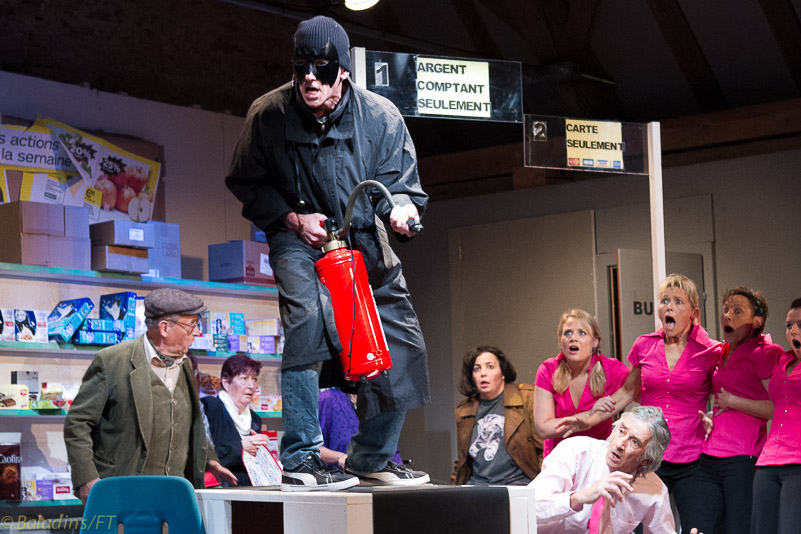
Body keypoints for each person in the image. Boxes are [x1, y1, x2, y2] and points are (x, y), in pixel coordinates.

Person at [225, 15, 430, 491]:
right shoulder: (268, 115)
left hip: (362, 234)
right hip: (298, 236)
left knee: (400, 338)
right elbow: (246, 181)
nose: (309, 79)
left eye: (321, 69)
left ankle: (372, 456)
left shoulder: (381, 117)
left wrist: (400, 211)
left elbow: (400, 187)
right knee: (308, 320)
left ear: (344, 72)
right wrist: (292, 219)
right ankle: (301, 456)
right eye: (301, 69)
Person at [557, 274, 721, 533]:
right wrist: (588, 420)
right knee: (636, 527)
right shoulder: (645, 345)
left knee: (695, 528)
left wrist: (713, 417)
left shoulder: (711, 351)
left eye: (678, 302)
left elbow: (724, 396)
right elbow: (627, 392)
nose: (669, 307)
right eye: (664, 300)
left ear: (694, 313)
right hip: (646, 458)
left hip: (692, 458)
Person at [64, 288, 237, 503]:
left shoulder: (185, 366)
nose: (196, 332)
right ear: (164, 328)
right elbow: (78, 423)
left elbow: (190, 423)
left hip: (175, 495)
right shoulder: (112, 361)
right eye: (191, 325)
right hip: (123, 492)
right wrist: (87, 478)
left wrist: (209, 459)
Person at [695, 288, 783, 534]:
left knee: (738, 527)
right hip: (709, 454)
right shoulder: (721, 352)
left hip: (743, 457)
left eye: (737, 311)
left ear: (756, 322)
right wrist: (709, 417)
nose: (727, 315)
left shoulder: (766, 353)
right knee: (702, 526)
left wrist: (734, 401)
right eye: (725, 310)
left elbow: (777, 408)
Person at [534, 309, 629, 457]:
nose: (573, 338)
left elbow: (638, 392)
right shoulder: (548, 370)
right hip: (559, 458)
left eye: (582, 333)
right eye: (567, 333)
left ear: (595, 341)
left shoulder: (612, 369)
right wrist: (591, 415)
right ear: (560, 341)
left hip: (598, 457)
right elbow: (543, 428)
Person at [451, 345, 543, 485]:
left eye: (490, 367)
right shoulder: (465, 409)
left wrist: (542, 486)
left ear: (503, 373)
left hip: (517, 485)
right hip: (477, 486)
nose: (483, 373)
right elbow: (462, 460)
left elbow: (544, 449)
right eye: (477, 369)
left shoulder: (526, 398)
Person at [750, 297, 801, 534]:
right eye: (789, 326)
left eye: (800, 325)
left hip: (797, 463)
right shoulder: (783, 359)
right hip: (768, 461)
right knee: (762, 528)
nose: (793, 331)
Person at [202, 354, 269, 486]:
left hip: (250, 487)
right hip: (220, 487)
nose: (251, 385)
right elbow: (205, 455)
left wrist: (261, 451)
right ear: (226, 382)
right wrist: (241, 447)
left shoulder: (255, 419)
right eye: (244, 378)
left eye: (254, 379)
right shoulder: (211, 407)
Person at [318, 387, 403, 469]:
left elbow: (393, 452)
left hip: (378, 476)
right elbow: (314, 449)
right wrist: (340, 457)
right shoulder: (327, 399)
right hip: (340, 475)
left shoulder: (381, 402)